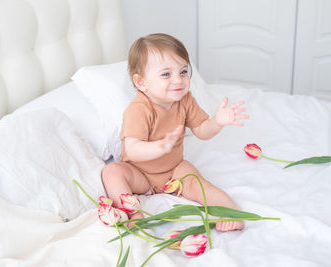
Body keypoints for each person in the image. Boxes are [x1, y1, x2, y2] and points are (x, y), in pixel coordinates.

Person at [101, 33, 249, 231]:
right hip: (141, 174)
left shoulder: (185, 100)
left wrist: (217, 122)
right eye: (166, 74)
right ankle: (134, 214)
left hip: (174, 171)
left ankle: (230, 212)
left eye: (183, 71)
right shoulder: (138, 109)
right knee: (112, 172)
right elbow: (133, 149)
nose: (178, 80)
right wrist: (159, 146)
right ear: (141, 83)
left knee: (200, 185)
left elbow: (202, 131)